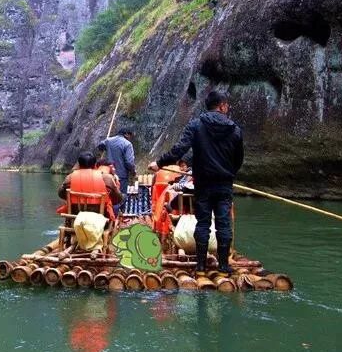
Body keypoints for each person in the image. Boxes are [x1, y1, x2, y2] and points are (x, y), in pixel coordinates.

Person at [148, 91, 243, 277]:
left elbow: (179, 149)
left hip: (203, 183)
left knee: (203, 223)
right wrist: (228, 173)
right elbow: (238, 159)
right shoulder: (235, 130)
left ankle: (200, 265)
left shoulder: (196, 125)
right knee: (223, 223)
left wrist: (159, 163)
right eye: (227, 105)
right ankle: (223, 265)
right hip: (224, 183)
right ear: (222, 106)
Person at [58, 152, 123, 218]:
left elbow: (61, 194)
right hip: (99, 213)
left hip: (76, 211)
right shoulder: (107, 178)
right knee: (120, 198)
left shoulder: (70, 177)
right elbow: (118, 198)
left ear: (79, 164)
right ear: (95, 165)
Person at [97, 128, 136, 200]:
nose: (130, 139)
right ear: (126, 134)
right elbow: (129, 162)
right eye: (130, 136)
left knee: (108, 197)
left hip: (108, 174)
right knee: (120, 198)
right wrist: (133, 171)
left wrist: (105, 146)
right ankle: (119, 210)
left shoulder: (108, 140)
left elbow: (100, 146)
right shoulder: (127, 144)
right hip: (121, 176)